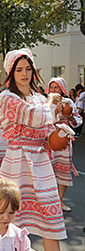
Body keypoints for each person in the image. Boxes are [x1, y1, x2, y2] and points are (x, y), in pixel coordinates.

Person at [0, 48, 85, 251]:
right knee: (9, 227)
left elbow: (46, 132)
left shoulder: (38, 97)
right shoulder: (6, 98)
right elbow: (36, 117)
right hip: (16, 164)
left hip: (41, 164)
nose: (24, 74)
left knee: (52, 225)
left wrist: (60, 134)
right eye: (19, 69)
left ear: (34, 71)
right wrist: (51, 104)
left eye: (28, 69)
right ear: (11, 73)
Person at [46, 77, 83, 212]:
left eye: (56, 87)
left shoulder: (69, 103)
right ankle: (48, 201)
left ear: (61, 89)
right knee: (47, 171)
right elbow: (43, 120)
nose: (54, 90)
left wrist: (70, 117)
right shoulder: (46, 103)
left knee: (63, 170)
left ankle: (60, 200)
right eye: (52, 87)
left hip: (65, 141)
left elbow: (78, 121)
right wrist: (55, 113)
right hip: (49, 139)